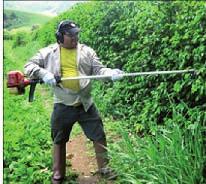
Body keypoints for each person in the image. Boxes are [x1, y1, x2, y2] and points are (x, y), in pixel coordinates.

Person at [24, 20, 124, 184]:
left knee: (98, 134)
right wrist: (43, 74)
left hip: (85, 103)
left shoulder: (87, 51)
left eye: (77, 34)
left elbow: (99, 70)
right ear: (60, 37)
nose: (75, 37)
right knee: (59, 138)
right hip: (62, 103)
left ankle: (104, 168)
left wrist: (110, 73)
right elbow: (28, 65)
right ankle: (58, 173)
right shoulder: (48, 52)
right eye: (70, 35)